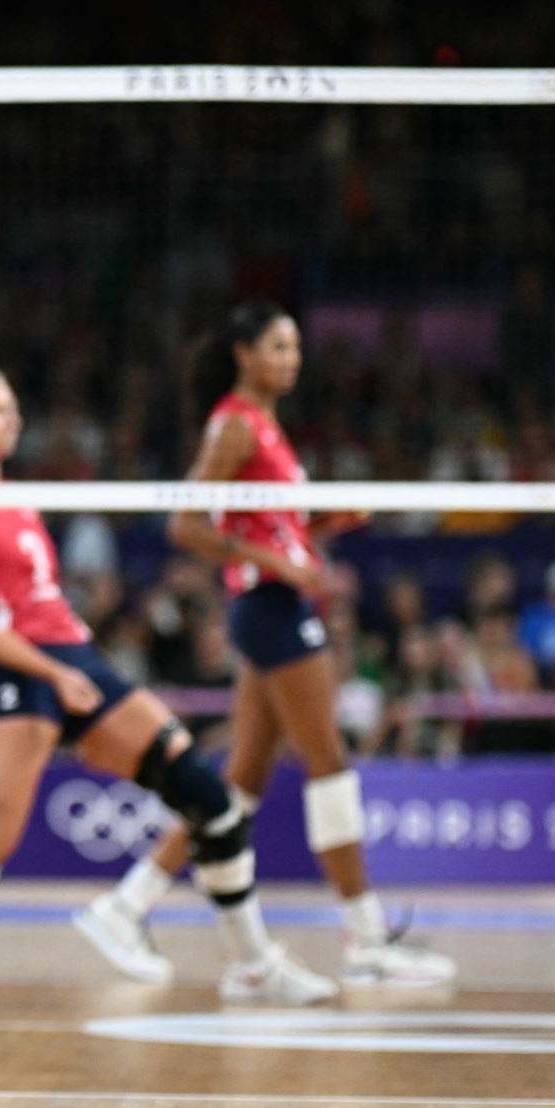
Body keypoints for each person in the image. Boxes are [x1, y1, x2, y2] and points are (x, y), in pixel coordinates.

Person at [0, 368, 334, 1009]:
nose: (13, 420)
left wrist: (74, 651)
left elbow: (37, 595)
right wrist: (54, 672)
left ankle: (249, 963)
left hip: (71, 657)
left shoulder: (16, 496)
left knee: (208, 797)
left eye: (13, 409)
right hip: (15, 672)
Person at [79, 303, 456, 988]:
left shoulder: (267, 427)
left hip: (274, 602)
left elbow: (273, 529)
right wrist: (284, 565)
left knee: (242, 781)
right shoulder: (233, 424)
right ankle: (366, 937)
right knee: (329, 762)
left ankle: (127, 903)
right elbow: (187, 527)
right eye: (277, 346)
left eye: (295, 347)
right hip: (269, 607)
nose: (292, 358)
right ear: (244, 354)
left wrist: (324, 527)